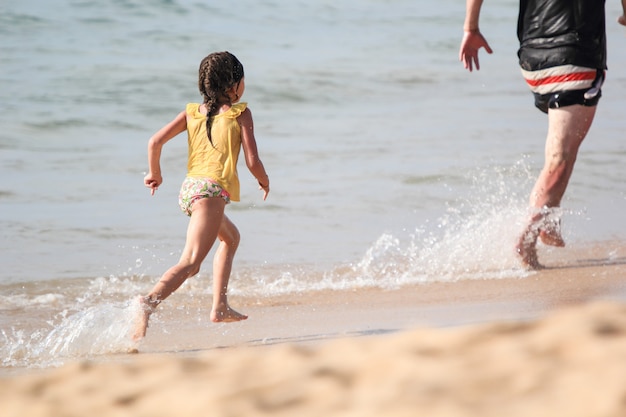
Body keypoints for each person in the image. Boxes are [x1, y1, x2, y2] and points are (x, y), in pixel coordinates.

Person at [459, 0, 626, 269]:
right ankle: (526, 239)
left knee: (560, 152)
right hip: (574, 55)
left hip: (532, 58)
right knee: (560, 158)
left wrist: (471, 28)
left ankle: (549, 219)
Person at [133, 51, 270, 341]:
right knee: (191, 263)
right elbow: (252, 160)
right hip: (211, 193)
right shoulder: (240, 113)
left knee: (231, 238)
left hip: (191, 190)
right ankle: (148, 302)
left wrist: (154, 173)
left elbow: (155, 141)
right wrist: (264, 179)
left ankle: (220, 306)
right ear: (234, 85)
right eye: (242, 79)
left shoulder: (192, 113)